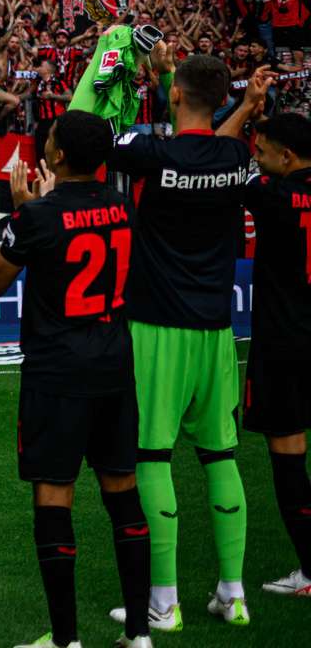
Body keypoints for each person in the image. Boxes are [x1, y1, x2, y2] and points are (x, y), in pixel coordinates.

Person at [0, 111, 152, 648]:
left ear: (56, 157)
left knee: (55, 495)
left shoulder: (38, 215)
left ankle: (65, 639)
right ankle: (140, 632)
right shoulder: (122, 205)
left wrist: (21, 211)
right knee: (122, 492)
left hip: (57, 372)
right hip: (114, 366)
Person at [105, 52, 255, 631]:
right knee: (220, 456)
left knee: (151, 455)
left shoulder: (152, 153)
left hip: (157, 327)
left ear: (173, 96)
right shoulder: (234, 156)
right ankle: (233, 594)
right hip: (216, 330)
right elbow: (206, 137)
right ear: (223, 102)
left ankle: (163, 604)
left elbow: (102, 134)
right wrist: (187, 85)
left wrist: (157, 75)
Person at [224, 96, 311, 597]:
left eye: (262, 151)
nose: (257, 158)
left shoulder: (272, 194)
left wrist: (243, 109)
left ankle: (310, 569)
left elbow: (214, 155)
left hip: (284, 346)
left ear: (287, 157)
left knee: (289, 455)